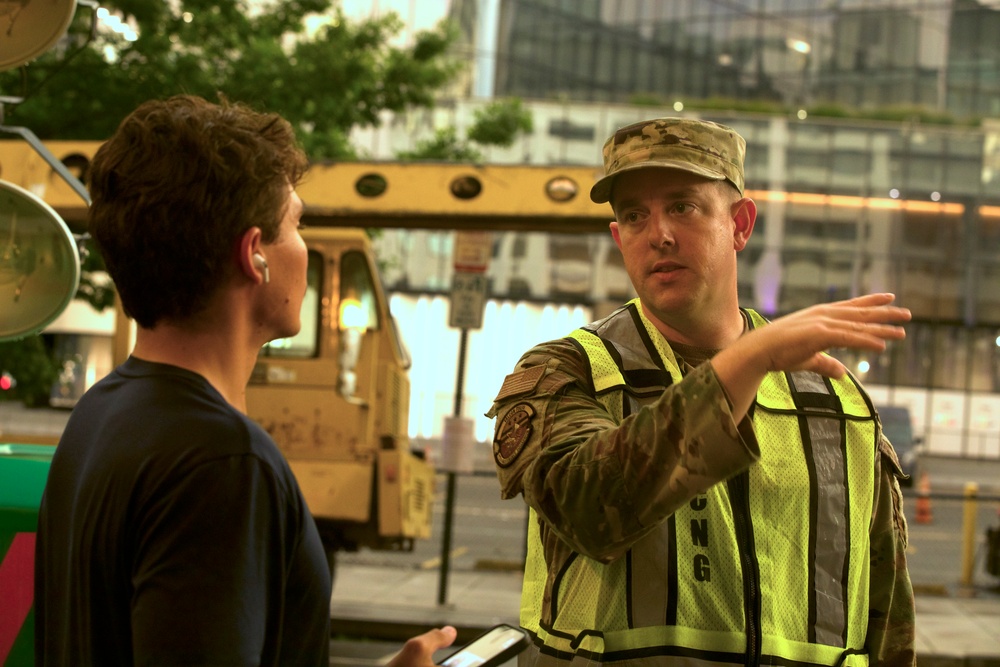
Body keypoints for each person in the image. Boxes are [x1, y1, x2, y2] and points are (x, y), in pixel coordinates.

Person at [34, 95, 457, 666]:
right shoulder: (223, 461)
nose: (304, 249)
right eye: (296, 225)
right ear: (255, 255)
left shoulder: (102, 412)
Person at [487, 118, 916, 667]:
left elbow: (886, 614)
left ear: (740, 224)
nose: (658, 233)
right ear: (619, 239)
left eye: (683, 206)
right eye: (635, 215)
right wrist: (749, 360)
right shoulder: (568, 372)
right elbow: (589, 507)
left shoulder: (837, 398)